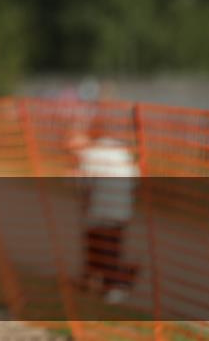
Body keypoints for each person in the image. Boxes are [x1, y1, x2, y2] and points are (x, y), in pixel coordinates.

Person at [71, 121, 141, 304]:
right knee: (111, 248)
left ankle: (116, 286)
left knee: (102, 251)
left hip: (99, 211)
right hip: (121, 210)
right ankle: (104, 283)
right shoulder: (120, 151)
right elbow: (135, 178)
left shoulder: (89, 155)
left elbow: (83, 185)